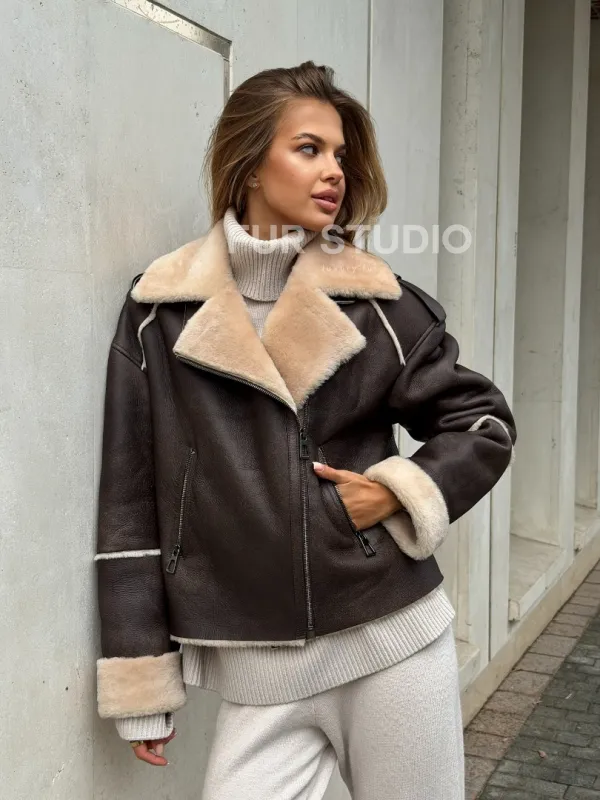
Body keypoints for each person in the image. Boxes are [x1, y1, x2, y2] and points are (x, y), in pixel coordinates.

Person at [94, 60, 516, 800]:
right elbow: (129, 502)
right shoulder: (158, 311)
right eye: (309, 148)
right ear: (251, 162)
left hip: (390, 638)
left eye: (341, 154)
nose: (334, 172)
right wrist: (141, 679)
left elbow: (481, 422)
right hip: (257, 666)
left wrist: (397, 491)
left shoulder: (378, 303)